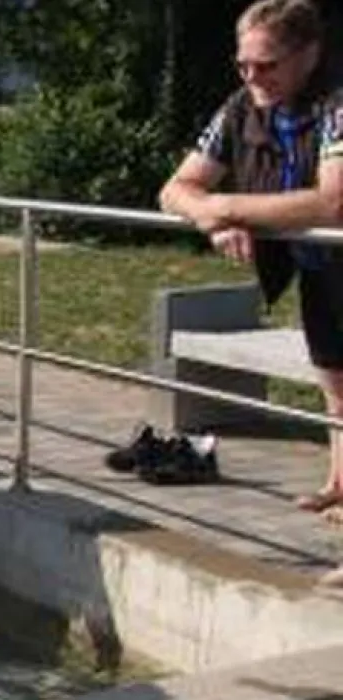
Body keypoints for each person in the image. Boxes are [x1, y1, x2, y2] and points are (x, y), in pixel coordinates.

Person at [153, 0, 343, 593]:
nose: (253, 78)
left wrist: (230, 207)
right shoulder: (241, 108)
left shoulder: (338, 103)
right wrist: (210, 219)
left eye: (267, 65)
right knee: (336, 383)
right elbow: (175, 188)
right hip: (322, 270)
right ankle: (341, 485)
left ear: (309, 55)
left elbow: (333, 201)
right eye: (243, 66)